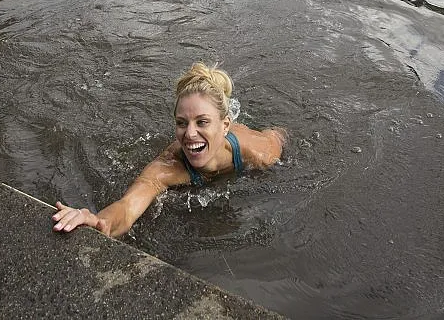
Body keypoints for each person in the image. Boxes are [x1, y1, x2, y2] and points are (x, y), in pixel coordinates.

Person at [52, 62, 285, 238]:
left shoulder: (258, 151)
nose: (190, 134)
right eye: (182, 123)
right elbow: (128, 208)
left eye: (202, 122)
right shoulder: (167, 168)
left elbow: (281, 136)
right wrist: (97, 220)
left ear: (225, 126)